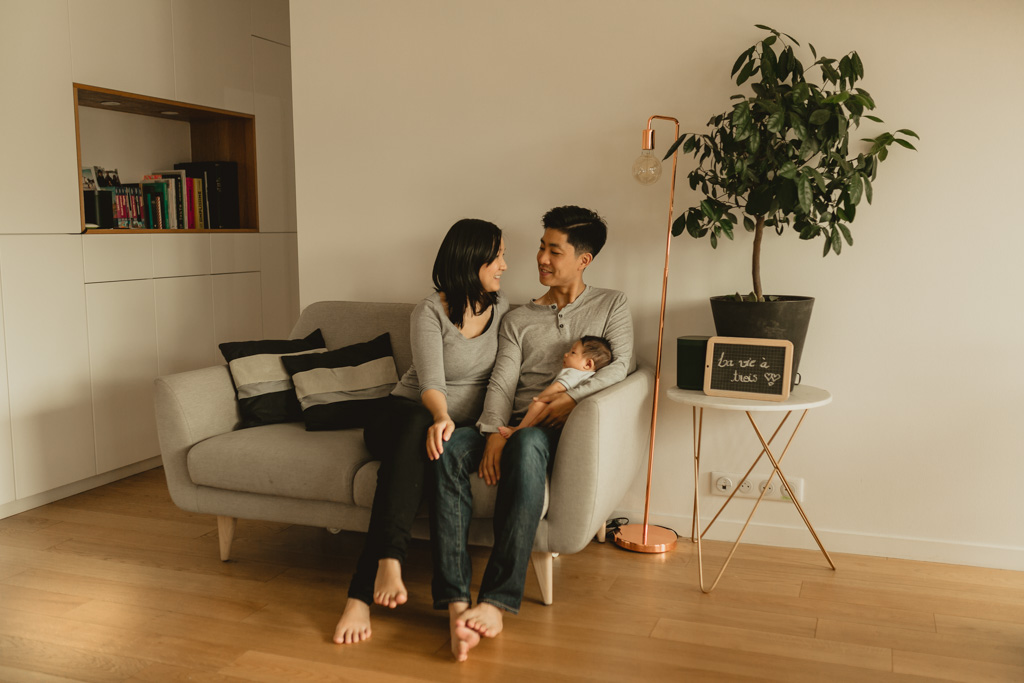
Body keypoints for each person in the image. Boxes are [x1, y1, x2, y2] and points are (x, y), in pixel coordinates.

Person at [431, 205, 633, 661]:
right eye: (541, 247)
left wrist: (570, 399)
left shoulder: (611, 305)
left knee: (526, 446)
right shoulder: (518, 317)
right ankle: (456, 600)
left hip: (553, 432)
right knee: (447, 452)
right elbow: (503, 380)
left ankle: (498, 600)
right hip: (509, 424)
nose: (541, 258)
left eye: (553, 250)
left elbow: (622, 365)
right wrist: (493, 433)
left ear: (583, 259)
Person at [334, 218, 509, 645]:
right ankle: (382, 568)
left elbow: (504, 380)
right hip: (400, 416)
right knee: (417, 426)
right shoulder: (429, 311)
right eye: (498, 254)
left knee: (418, 458)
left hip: (441, 432)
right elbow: (430, 382)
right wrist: (442, 416)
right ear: (472, 258)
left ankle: (370, 587)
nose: (505, 264)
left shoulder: (504, 312)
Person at [497, 336, 612, 439]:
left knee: (537, 405)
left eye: (573, 352)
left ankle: (518, 429)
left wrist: (540, 398)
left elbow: (557, 387)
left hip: (558, 408)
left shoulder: (573, 373)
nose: (566, 354)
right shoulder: (590, 376)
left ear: (587, 364)